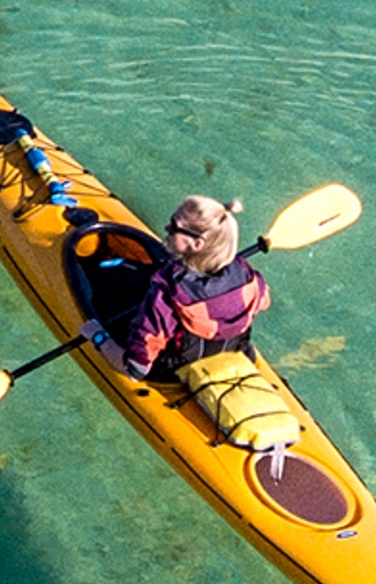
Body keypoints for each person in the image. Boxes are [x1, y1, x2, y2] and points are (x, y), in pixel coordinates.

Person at [87, 195, 303, 460]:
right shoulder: (247, 276)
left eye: (173, 227)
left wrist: (96, 337)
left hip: (168, 372)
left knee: (101, 291)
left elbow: (135, 369)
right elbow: (264, 300)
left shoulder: (167, 293)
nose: (166, 230)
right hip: (236, 353)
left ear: (198, 244)